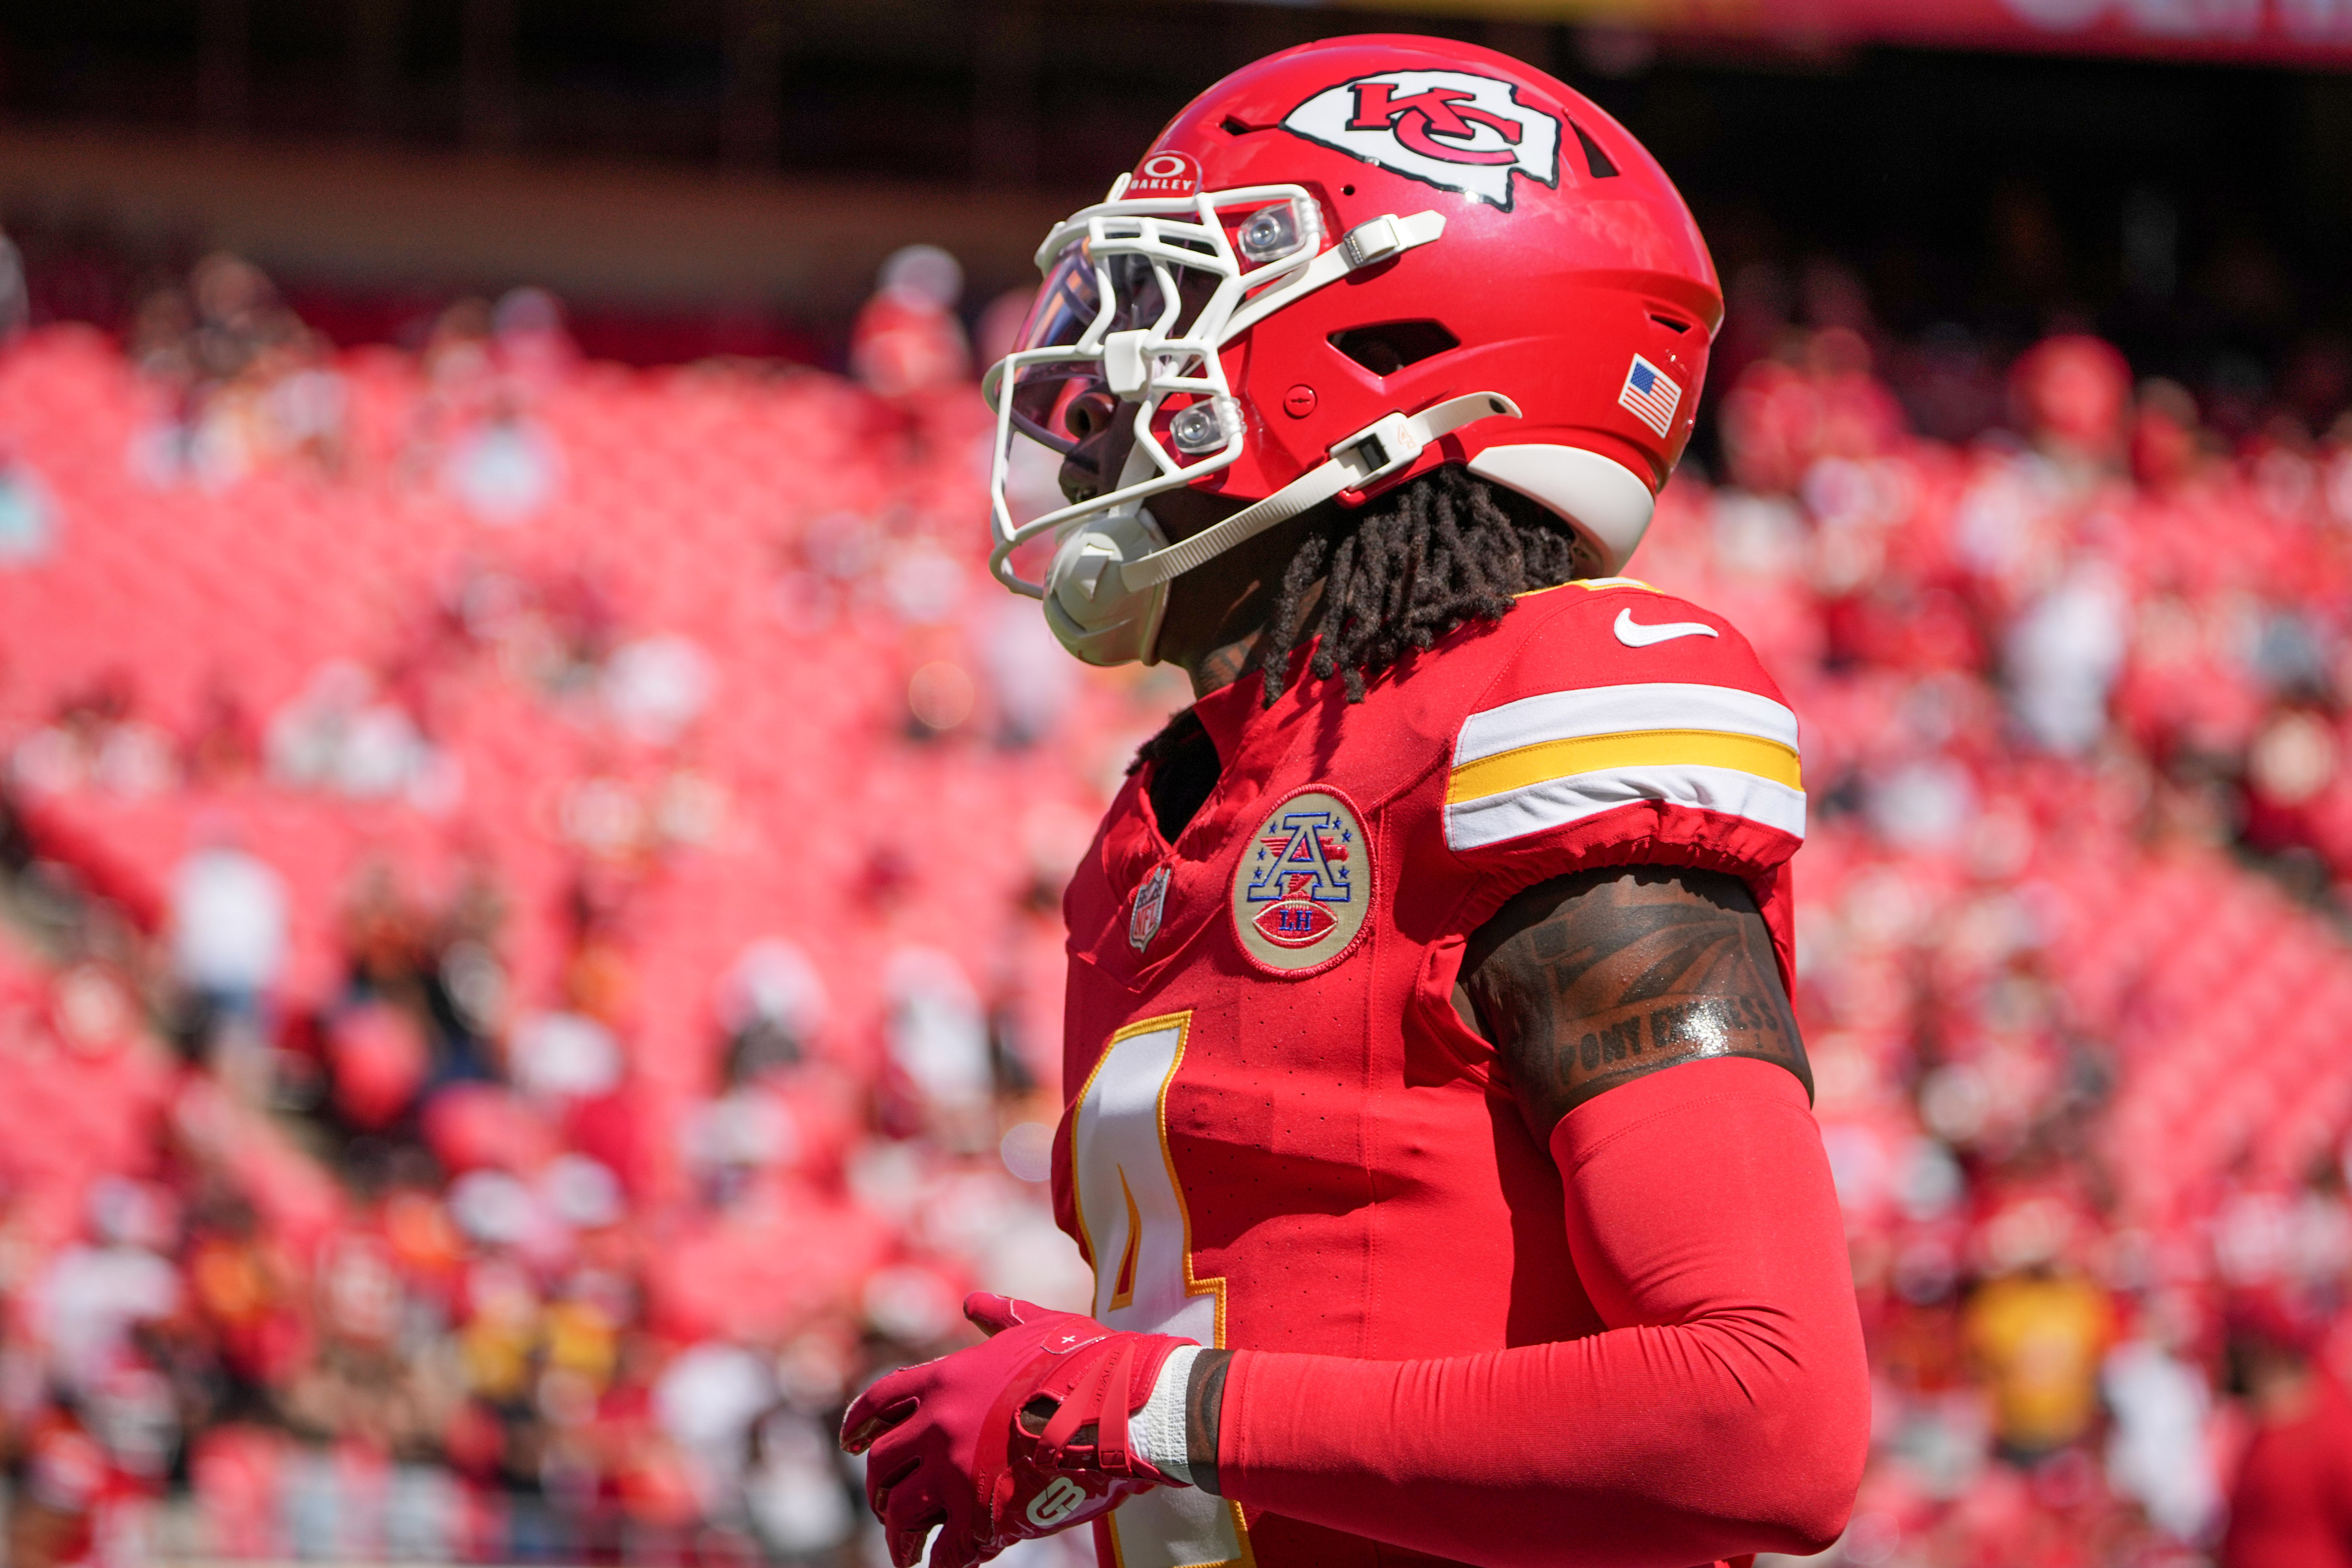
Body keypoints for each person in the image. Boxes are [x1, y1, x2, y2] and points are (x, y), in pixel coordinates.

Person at [842, 34, 1868, 1568]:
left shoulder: (1531, 711)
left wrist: (1143, 1408)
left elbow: (1764, 1420)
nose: (1096, 383)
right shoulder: (1188, 810)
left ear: (1380, 357)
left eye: (1176, 303)